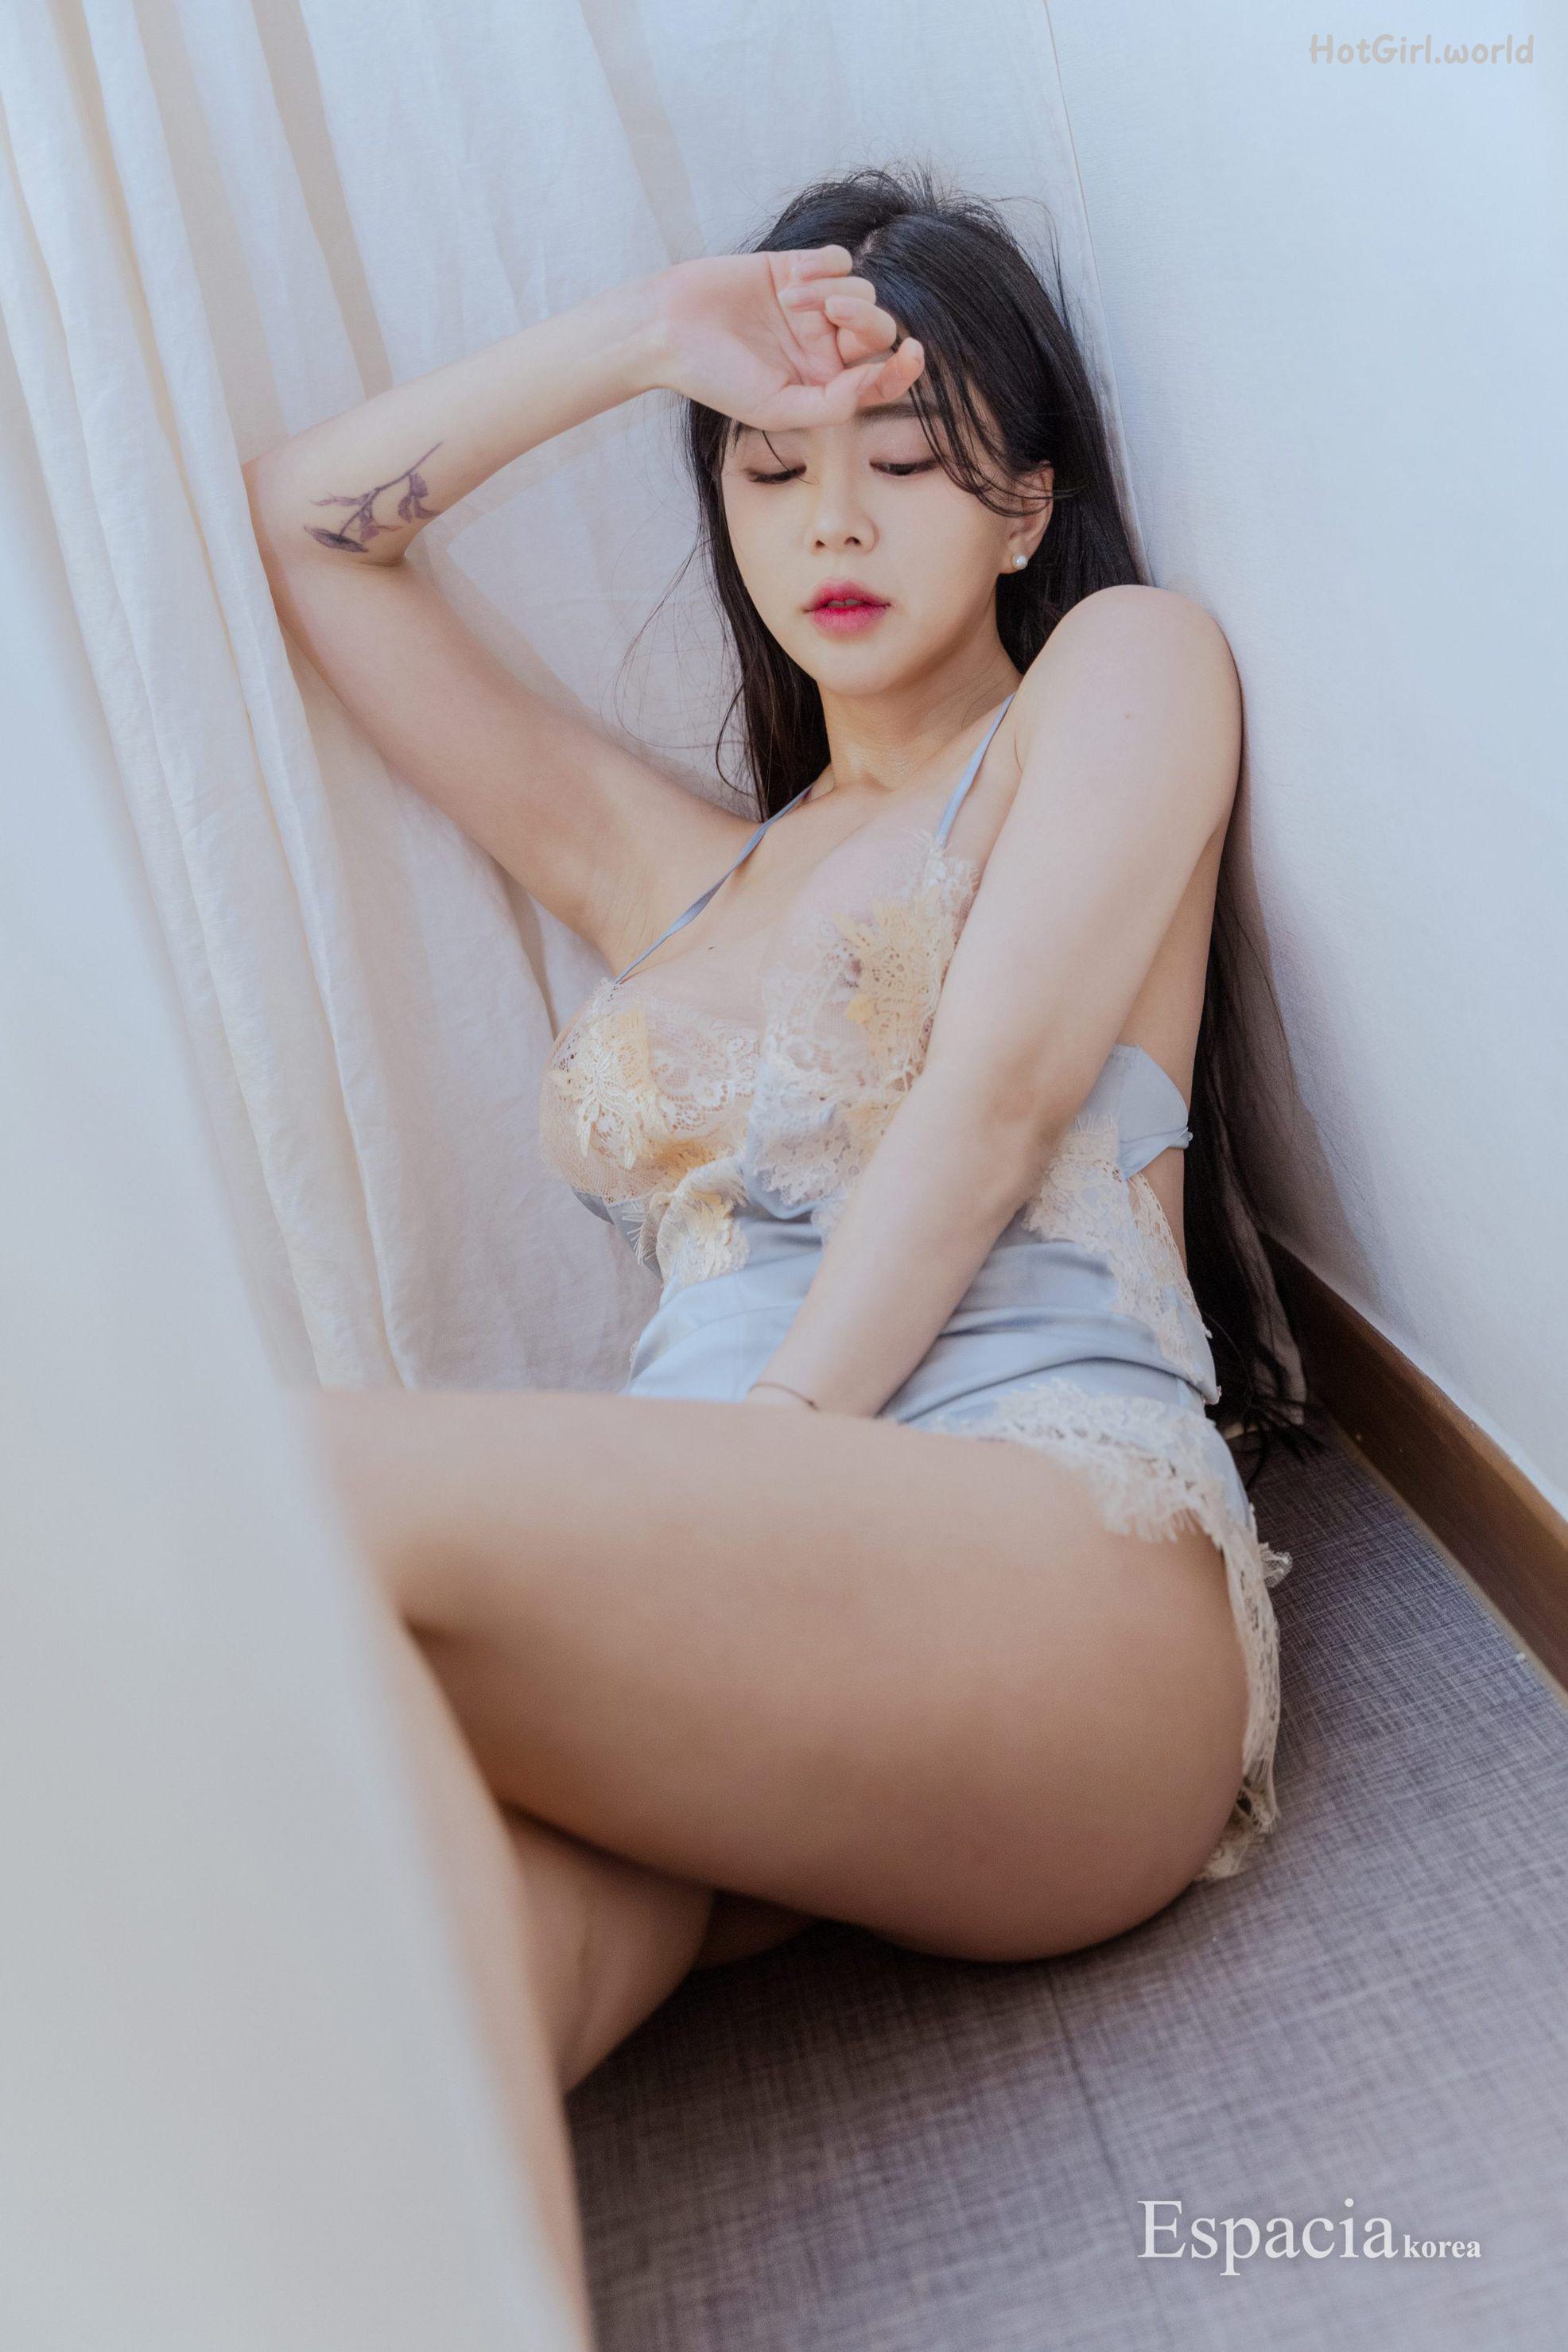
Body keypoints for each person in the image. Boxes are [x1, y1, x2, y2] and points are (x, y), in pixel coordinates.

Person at [246, 165, 1304, 2339]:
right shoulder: (667, 870)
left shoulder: (1118, 672)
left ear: (1022, 507)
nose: (834, 522)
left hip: (1056, 1558)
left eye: (904, 465)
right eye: (768, 469)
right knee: (378, 1994)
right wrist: (649, 335)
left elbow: (997, 1095)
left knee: (254, 1484)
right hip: (746, 1636)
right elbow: (308, 529)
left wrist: (761, 1461)